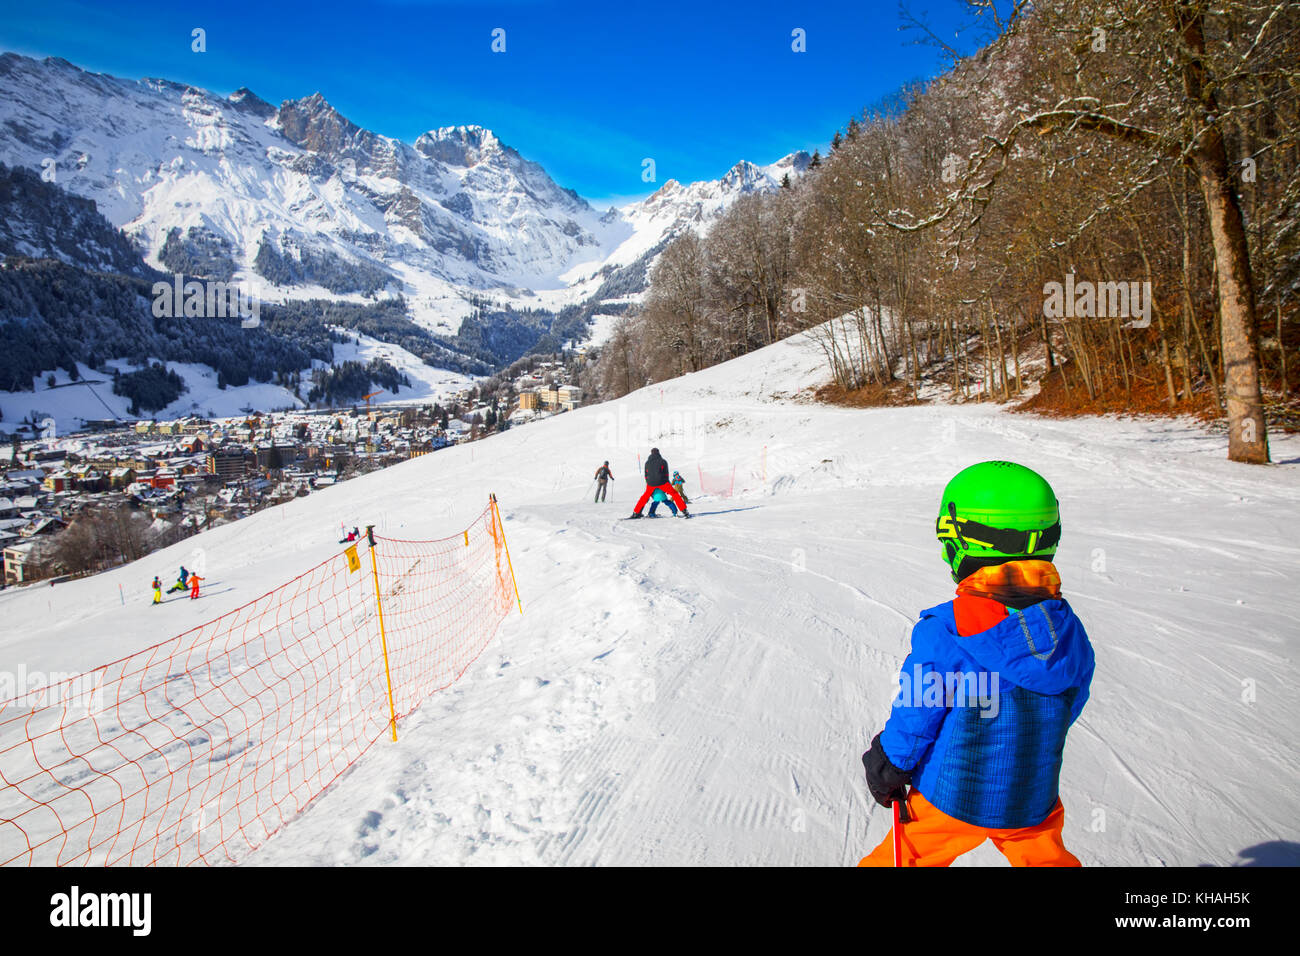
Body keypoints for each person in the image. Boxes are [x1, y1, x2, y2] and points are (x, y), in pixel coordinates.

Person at [858, 461, 1094, 867]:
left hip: (953, 795)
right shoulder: (1067, 630)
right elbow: (1070, 700)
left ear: (965, 543)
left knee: (905, 858)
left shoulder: (948, 630)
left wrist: (891, 762)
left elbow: (919, 708)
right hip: (1030, 797)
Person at [629, 448, 689, 519]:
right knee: (674, 494)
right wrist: (666, 484)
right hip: (663, 483)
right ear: (658, 453)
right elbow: (666, 474)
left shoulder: (647, 463)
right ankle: (684, 511)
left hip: (650, 484)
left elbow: (646, 475)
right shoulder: (663, 461)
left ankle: (636, 512)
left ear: (651, 453)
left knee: (645, 497)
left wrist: (648, 483)